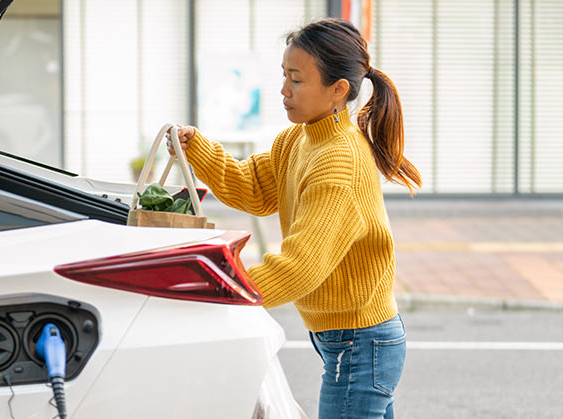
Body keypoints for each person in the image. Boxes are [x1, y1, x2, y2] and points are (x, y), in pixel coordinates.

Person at [168, 18, 421, 419]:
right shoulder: (300, 138)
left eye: (297, 80)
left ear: (338, 90)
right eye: (284, 76)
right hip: (352, 339)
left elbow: (301, 267)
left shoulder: (338, 161)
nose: (284, 90)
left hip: (360, 342)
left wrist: (222, 290)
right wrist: (196, 148)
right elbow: (252, 187)